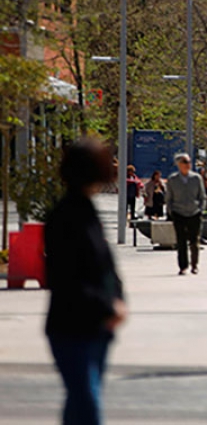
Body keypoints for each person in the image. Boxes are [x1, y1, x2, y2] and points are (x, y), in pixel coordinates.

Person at [45, 138, 127, 425]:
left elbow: (105, 264)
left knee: (79, 403)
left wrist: (118, 298)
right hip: (72, 327)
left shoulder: (88, 212)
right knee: (87, 402)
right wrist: (108, 305)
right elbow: (65, 278)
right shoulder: (64, 217)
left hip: (97, 326)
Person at [165, 154, 206, 275]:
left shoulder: (196, 178)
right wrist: (170, 211)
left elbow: (202, 196)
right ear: (178, 164)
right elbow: (169, 198)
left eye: (189, 161)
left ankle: (194, 265)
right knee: (181, 241)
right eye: (185, 162)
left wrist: (200, 209)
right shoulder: (172, 180)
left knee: (194, 241)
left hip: (194, 213)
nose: (188, 164)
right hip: (178, 213)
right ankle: (183, 266)